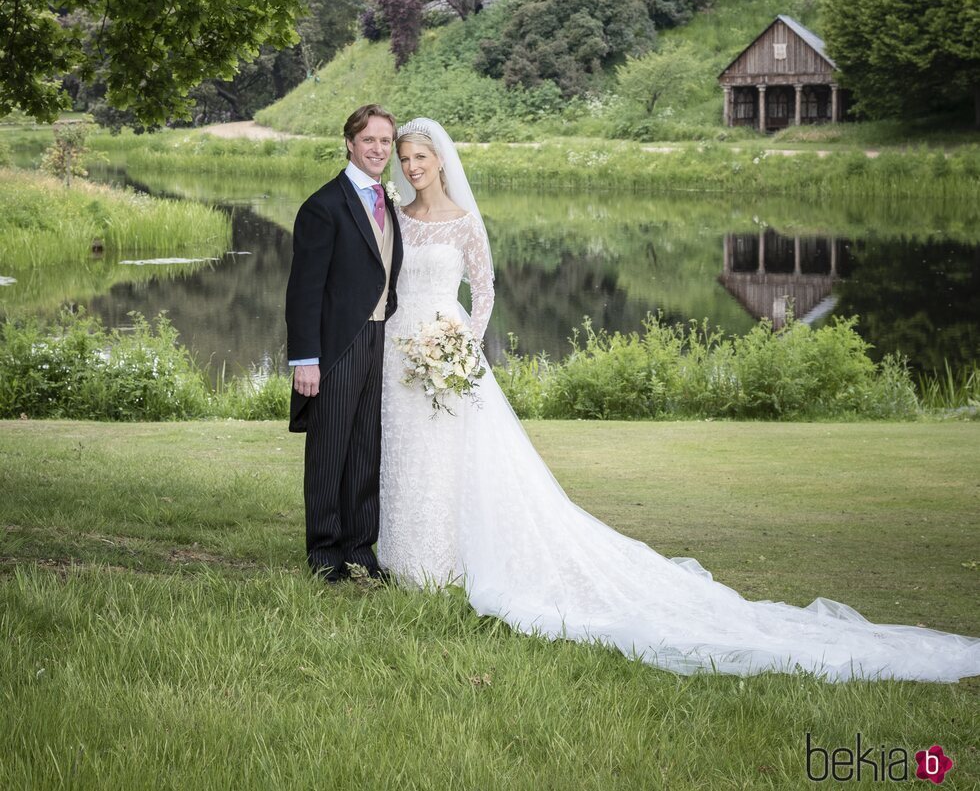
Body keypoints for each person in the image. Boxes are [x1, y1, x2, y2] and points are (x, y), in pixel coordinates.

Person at [378, 117, 980, 682]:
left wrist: (462, 345)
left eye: (419, 157)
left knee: (455, 454)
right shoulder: (397, 217)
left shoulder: (463, 220)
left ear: (440, 160)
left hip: (450, 350)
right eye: (404, 159)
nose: (411, 167)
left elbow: (483, 289)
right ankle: (408, 559)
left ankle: (452, 563)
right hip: (399, 346)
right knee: (409, 449)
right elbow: (384, 281)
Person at [285, 104, 403, 580]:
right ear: (350, 143)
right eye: (369, 140)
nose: (378, 149)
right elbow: (304, 289)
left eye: (385, 141)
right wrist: (306, 359)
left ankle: (360, 547)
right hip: (338, 347)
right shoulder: (322, 206)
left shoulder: (387, 199)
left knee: (365, 448)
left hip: (379, 340)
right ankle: (324, 553)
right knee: (330, 449)